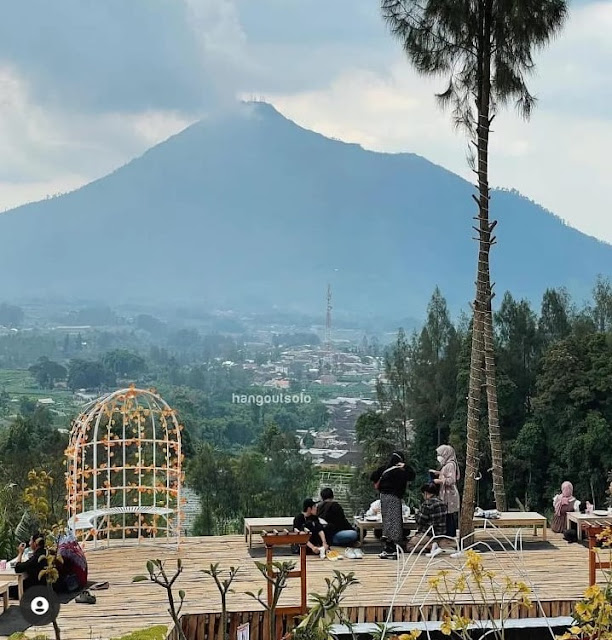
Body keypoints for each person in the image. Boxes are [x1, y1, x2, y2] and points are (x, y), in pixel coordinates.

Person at [370, 451, 415, 559]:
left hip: (383, 497)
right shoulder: (400, 471)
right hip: (394, 497)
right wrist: (406, 467)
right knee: (394, 521)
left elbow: (373, 476)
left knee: (387, 521)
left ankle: (388, 547)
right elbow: (412, 476)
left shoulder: (384, 469)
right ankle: (392, 548)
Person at [405, 483, 448, 555]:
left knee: (409, 546)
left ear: (425, 493)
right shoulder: (442, 503)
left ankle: (430, 547)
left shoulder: (427, 504)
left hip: (429, 534)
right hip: (441, 533)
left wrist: (417, 514)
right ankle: (433, 546)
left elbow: (420, 520)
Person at [430, 444, 461, 538]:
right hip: (446, 494)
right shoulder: (447, 465)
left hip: (449, 495)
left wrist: (438, 481)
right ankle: (448, 536)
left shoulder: (450, 465)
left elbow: (451, 480)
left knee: (449, 516)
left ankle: (450, 537)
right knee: (447, 515)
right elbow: (446, 475)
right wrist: (438, 473)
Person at [11, 532, 47, 598]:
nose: (29, 543)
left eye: (31, 541)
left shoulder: (37, 557)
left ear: (35, 543)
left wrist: (20, 553)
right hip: (40, 585)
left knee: (7, 589)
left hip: (33, 588)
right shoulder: (44, 552)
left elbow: (18, 568)